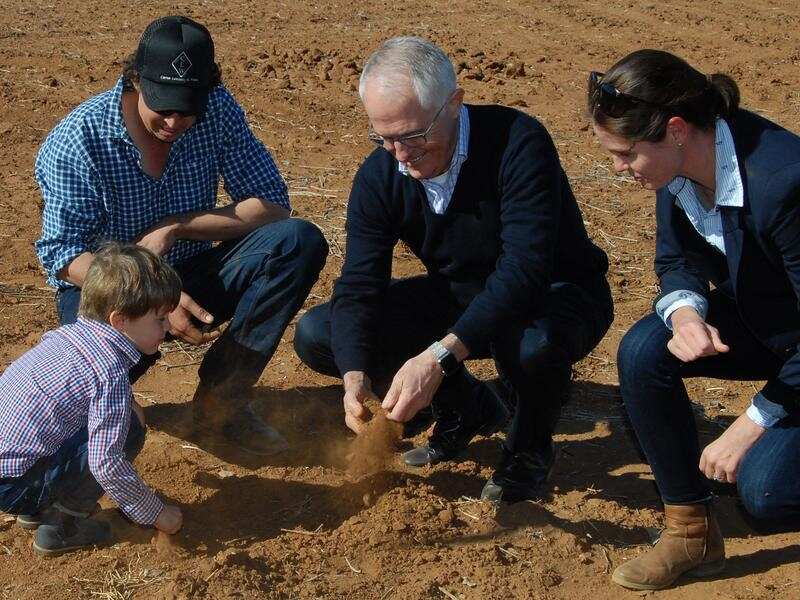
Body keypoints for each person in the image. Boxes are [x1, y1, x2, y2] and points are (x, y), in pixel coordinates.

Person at [295, 36, 613, 502]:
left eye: (413, 135)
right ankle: (472, 408)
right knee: (323, 333)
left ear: (454, 104)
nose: (400, 154)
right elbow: (360, 283)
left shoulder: (516, 141)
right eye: (383, 138)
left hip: (554, 293)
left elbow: (524, 269)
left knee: (529, 346)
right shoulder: (381, 175)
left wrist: (438, 358)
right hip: (462, 293)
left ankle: (527, 448)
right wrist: (354, 376)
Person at [34, 16, 328, 455]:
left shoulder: (219, 110)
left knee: (296, 241)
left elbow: (271, 204)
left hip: (190, 273)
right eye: (164, 107)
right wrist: (151, 296)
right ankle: (64, 490)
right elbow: (62, 253)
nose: (175, 121)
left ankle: (221, 403)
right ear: (135, 80)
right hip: (107, 294)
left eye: (188, 109)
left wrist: (177, 226)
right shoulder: (79, 140)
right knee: (86, 414)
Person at [588, 49, 800, 590]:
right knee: (643, 350)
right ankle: (691, 532)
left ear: (676, 129)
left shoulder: (784, 184)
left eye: (626, 154)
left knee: (765, 493)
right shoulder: (680, 168)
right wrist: (686, 313)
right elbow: (676, 259)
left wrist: (752, 421)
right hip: (774, 329)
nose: (619, 169)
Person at [0, 243, 183, 556]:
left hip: (10, 473)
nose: (167, 328)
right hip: (17, 486)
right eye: (160, 320)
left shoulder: (67, 337)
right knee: (129, 429)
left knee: (123, 412)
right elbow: (106, 463)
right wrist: (156, 513)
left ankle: (38, 507)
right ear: (120, 320)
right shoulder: (107, 371)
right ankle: (61, 525)